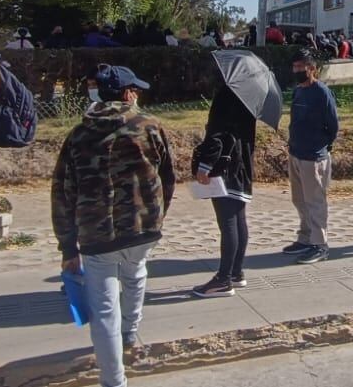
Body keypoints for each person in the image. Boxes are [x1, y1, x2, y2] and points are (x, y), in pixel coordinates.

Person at [52, 65, 174, 387]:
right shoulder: (150, 127)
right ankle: (131, 330)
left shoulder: (78, 136)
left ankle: (114, 380)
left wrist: (67, 246)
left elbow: (63, 193)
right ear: (127, 94)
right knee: (136, 273)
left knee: (104, 311)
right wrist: (158, 214)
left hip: (96, 235)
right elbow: (168, 177)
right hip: (143, 227)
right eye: (135, 89)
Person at [191, 82, 256, 297]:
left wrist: (204, 166)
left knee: (228, 222)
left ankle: (223, 279)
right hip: (243, 165)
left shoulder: (226, 95)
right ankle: (236, 272)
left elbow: (217, 134)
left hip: (225, 168)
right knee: (238, 219)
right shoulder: (249, 95)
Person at [282, 51, 338, 264]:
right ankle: (305, 238)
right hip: (296, 153)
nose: (297, 71)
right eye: (294, 67)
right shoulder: (298, 92)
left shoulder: (322, 92)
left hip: (314, 157)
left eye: (301, 67)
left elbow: (333, 126)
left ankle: (320, 244)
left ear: (312, 69)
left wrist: (321, 146)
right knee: (299, 199)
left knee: (315, 202)